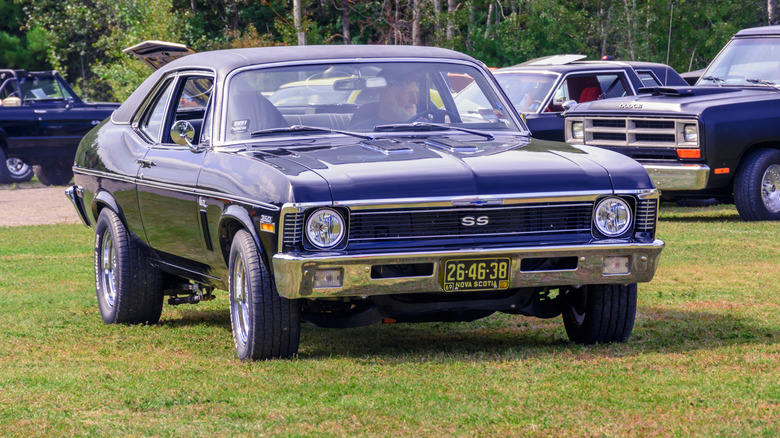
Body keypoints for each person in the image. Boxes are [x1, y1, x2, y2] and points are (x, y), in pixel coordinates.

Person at [349, 68, 421, 129]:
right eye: (408, 93)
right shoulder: (361, 132)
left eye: (416, 93)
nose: (415, 100)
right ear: (386, 94)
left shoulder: (428, 127)